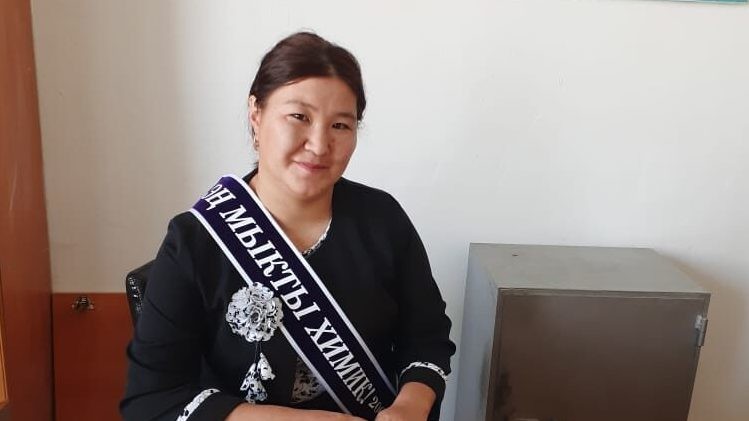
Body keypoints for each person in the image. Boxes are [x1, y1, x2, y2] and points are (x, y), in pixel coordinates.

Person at [121, 31, 455, 421]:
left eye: (340, 125)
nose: (319, 144)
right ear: (256, 114)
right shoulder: (196, 241)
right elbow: (151, 401)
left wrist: (409, 407)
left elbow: (427, 340)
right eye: (299, 117)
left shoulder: (382, 220)